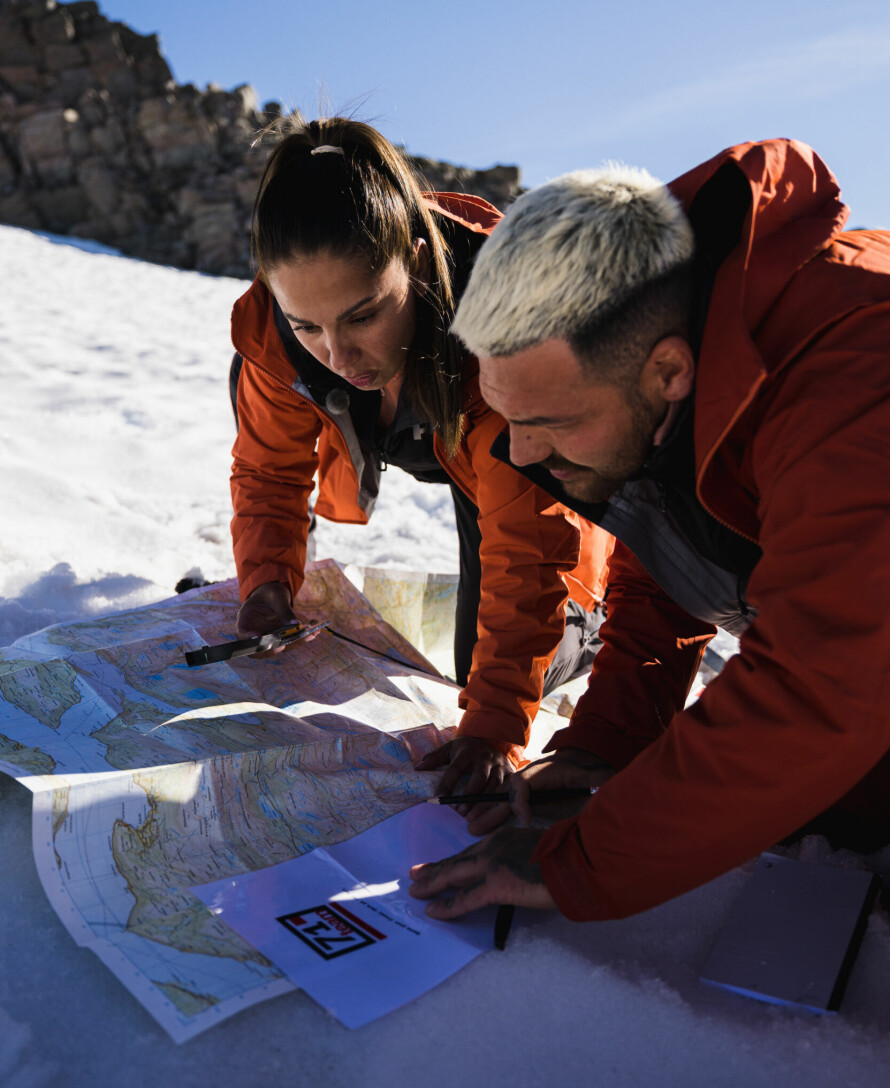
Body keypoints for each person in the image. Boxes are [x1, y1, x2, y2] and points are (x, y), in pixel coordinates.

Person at [409, 138, 890, 922]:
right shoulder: (688, 365)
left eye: (546, 421)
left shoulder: (858, 370)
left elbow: (823, 678)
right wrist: (601, 745)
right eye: (508, 414)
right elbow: (672, 585)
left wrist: (583, 863)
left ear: (667, 371)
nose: (520, 452)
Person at [229, 114, 614, 802]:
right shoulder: (272, 329)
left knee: (493, 673)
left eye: (363, 315)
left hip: (509, 438)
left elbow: (527, 540)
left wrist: (496, 726)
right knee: (259, 363)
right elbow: (269, 470)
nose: (338, 358)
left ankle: (597, 606)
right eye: (307, 325)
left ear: (411, 257)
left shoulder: (509, 336)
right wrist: (265, 583)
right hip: (418, 423)